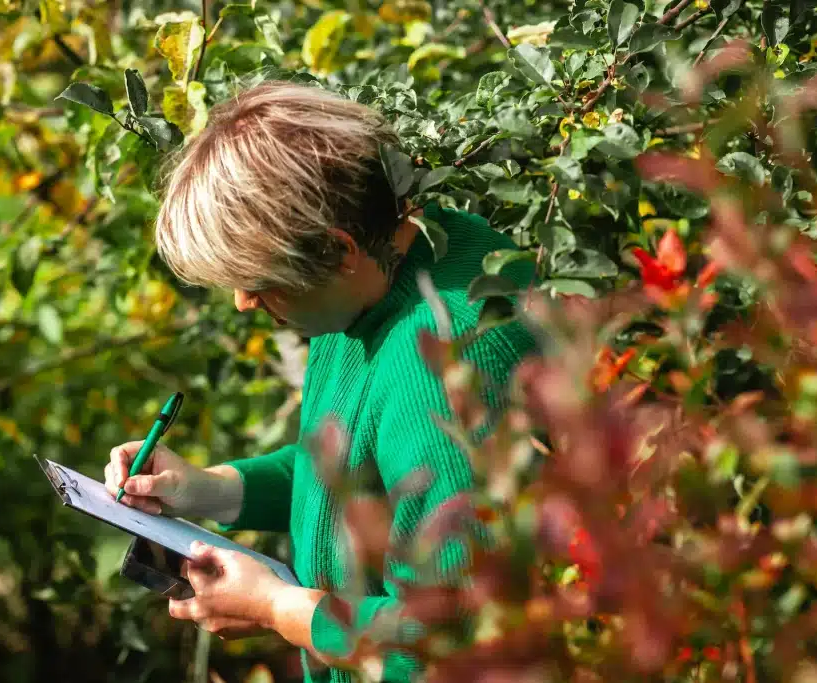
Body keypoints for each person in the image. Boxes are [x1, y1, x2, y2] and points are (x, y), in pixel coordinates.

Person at [103, 81, 539, 683]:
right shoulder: (369, 282)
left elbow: (449, 633)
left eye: (260, 279)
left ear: (337, 251)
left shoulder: (453, 368)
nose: (243, 301)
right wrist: (208, 490)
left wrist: (279, 608)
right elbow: (351, 467)